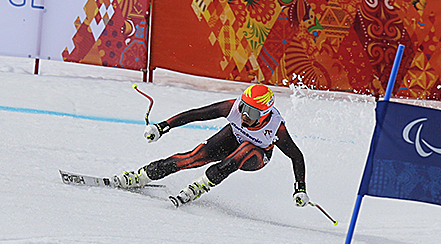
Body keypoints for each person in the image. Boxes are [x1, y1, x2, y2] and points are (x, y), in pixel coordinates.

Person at [114, 83, 309, 208]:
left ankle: (200, 186)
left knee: (245, 149)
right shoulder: (232, 107)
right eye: (244, 107)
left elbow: (296, 156)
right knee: (194, 156)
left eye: (253, 113)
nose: (244, 115)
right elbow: (197, 113)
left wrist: (300, 188)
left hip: (256, 156)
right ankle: (143, 175)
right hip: (234, 137)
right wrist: (163, 127)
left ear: (265, 114)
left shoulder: (276, 128)